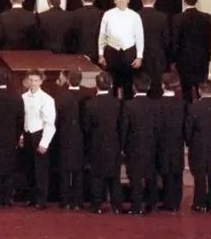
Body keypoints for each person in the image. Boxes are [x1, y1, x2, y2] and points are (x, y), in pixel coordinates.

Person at [82, 72, 122, 214]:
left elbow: (86, 127)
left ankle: (96, 205)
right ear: (110, 85)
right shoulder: (117, 103)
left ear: (96, 85)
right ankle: (117, 206)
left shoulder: (90, 104)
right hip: (114, 143)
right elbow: (121, 125)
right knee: (115, 177)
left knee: (97, 176)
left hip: (96, 144)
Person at [185, 80, 211, 212]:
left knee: (199, 174)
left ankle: (199, 203)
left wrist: (189, 142)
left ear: (199, 91)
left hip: (197, 144)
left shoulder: (193, 107)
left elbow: (188, 128)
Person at [121, 73, 159, 215]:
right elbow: (158, 127)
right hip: (151, 144)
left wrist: (123, 145)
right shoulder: (155, 105)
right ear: (148, 87)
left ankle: (136, 206)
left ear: (134, 87)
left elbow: (125, 127)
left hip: (134, 146)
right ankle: (152, 204)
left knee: (135, 177)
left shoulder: (129, 105)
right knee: (151, 175)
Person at [0, 68, 24, 207]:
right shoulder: (17, 98)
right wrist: (16, 136)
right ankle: (7, 198)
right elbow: (21, 120)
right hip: (10, 138)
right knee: (9, 167)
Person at [99, 0, 144, 98]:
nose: (121, 0)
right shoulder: (107, 14)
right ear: (114, 1)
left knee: (128, 83)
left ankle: (128, 105)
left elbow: (139, 37)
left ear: (128, 0)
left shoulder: (135, 16)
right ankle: (112, 105)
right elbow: (102, 35)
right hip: (111, 52)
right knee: (111, 82)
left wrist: (139, 57)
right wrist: (101, 54)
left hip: (128, 52)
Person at [21, 69, 55, 209]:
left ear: (41, 81)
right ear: (27, 81)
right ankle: (31, 198)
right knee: (29, 168)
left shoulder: (47, 99)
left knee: (40, 169)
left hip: (39, 135)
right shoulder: (23, 97)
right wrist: (22, 136)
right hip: (27, 134)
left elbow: (50, 123)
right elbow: (22, 119)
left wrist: (44, 142)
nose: (33, 83)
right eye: (31, 80)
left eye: (36, 80)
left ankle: (41, 200)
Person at [171, 0, 211, 101]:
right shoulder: (206, 17)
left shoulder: (177, 18)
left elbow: (176, 41)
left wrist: (175, 58)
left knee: (186, 89)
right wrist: (207, 57)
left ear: (184, 0)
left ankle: (188, 109)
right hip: (201, 59)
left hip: (184, 59)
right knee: (202, 88)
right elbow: (209, 40)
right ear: (197, 0)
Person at [53, 70, 85, 210]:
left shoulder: (60, 98)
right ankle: (78, 202)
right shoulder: (86, 97)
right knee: (79, 172)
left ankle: (65, 201)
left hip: (64, 138)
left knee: (64, 171)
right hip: (81, 139)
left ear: (67, 80)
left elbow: (55, 121)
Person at [156, 72, 186, 212]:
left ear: (163, 85)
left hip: (162, 143)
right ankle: (177, 201)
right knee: (177, 172)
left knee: (166, 173)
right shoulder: (182, 104)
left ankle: (168, 201)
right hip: (177, 143)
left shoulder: (158, 104)